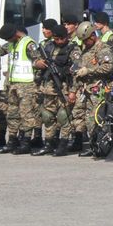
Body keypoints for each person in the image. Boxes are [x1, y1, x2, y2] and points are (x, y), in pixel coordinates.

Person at [34, 24, 81, 156]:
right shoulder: (48, 46)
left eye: (62, 39)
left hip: (64, 87)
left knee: (63, 117)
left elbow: (76, 72)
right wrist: (38, 63)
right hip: (48, 88)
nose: (60, 41)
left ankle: (63, 144)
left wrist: (73, 91)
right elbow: (36, 60)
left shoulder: (73, 49)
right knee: (47, 116)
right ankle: (49, 143)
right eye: (56, 39)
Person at [0, 24, 41, 155]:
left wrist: (38, 66)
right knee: (12, 114)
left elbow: (38, 61)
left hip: (26, 85)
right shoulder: (12, 44)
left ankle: (26, 142)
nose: (7, 41)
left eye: (8, 38)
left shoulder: (29, 43)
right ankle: (12, 141)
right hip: (13, 84)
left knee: (26, 114)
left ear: (15, 34)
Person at [70, 21, 113, 156]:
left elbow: (107, 67)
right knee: (81, 117)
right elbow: (79, 69)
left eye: (87, 40)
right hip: (84, 88)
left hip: (97, 88)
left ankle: (99, 145)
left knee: (95, 117)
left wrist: (89, 70)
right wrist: (74, 87)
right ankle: (92, 144)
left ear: (93, 36)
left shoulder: (103, 48)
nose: (85, 43)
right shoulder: (85, 50)